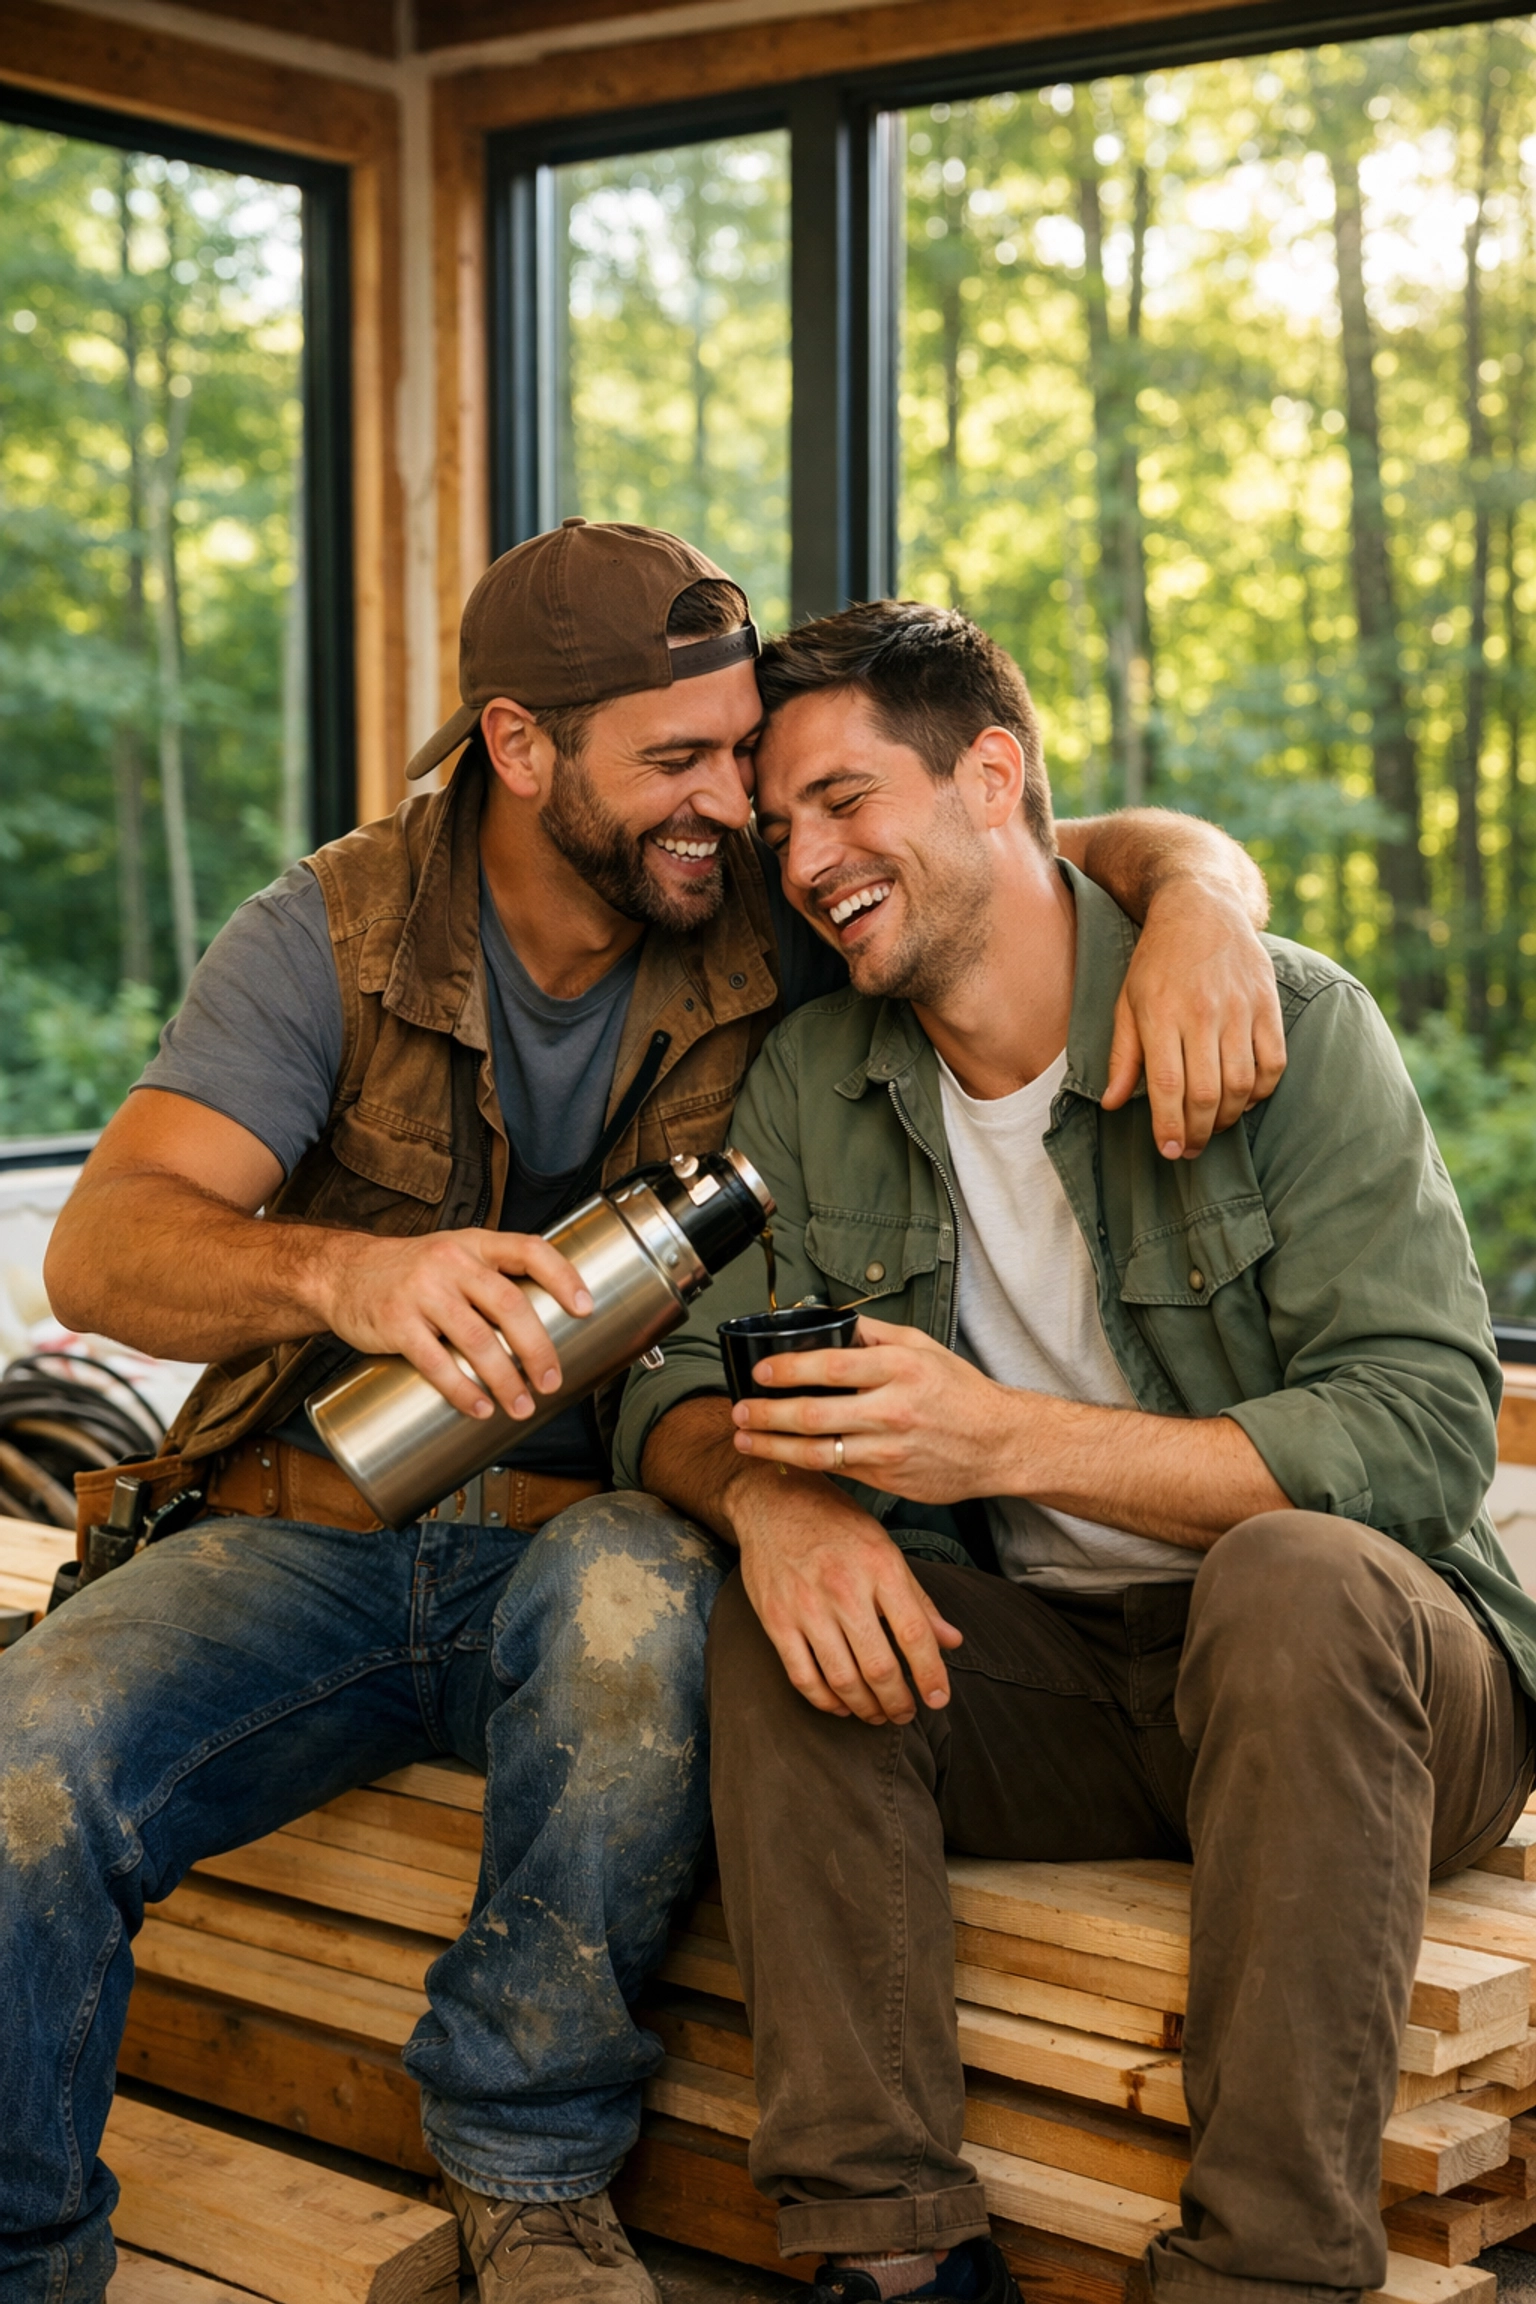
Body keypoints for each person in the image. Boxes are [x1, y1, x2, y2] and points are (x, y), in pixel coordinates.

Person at [9, 526, 1278, 2304]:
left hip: (618, 1526)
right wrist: (344, 1281)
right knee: (23, 1772)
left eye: (740, 753)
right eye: (674, 763)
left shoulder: (772, 887)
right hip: (315, 1528)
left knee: (624, 1607)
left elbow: (1051, 845)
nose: (731, 800)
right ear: (522, 749)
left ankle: (529, 2189)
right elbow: (100, 1251)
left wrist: (1213, 901)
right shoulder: (333, 931)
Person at [618, 599, 1536, 2304]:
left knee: (1294, 1578)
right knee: (787, 1608)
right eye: (778, 829)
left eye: (841, 800)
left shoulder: (1287, 1025)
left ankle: (1263, 2281)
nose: (805, 861)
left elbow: (1424, 1432)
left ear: (990, 775)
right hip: (1056, 1681)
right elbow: (664, 1372)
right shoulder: (817, 1080)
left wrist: (1005, 1441)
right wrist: (768, 1502)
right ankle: (890, 2252)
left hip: (1381, 1696)